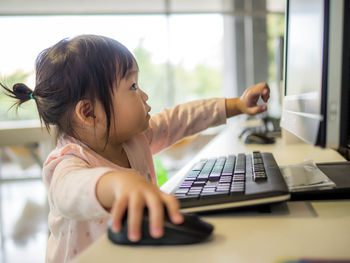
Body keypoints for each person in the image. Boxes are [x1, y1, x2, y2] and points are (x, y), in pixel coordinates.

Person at [0, 34, 270, 262]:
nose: (144, 95)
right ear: (89, 112)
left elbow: (179, 118)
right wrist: (118, 184)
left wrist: (235, 105)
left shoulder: (134, 139)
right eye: (132, 85)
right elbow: (71, 191)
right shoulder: (66, 162)